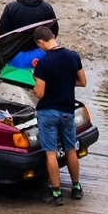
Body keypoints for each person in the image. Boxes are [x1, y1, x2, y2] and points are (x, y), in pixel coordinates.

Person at [31, 26, 85, 204]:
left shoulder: (44, 63)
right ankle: (76, 188)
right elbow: (83, 81)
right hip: (68, 111)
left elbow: (40, 93)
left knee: (51, 153)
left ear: (41, 41)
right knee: (71, 149)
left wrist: (35, 84)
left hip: (48, 112)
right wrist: (66, 83)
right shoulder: (73, 56)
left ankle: (56, 194)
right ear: (53, 36)